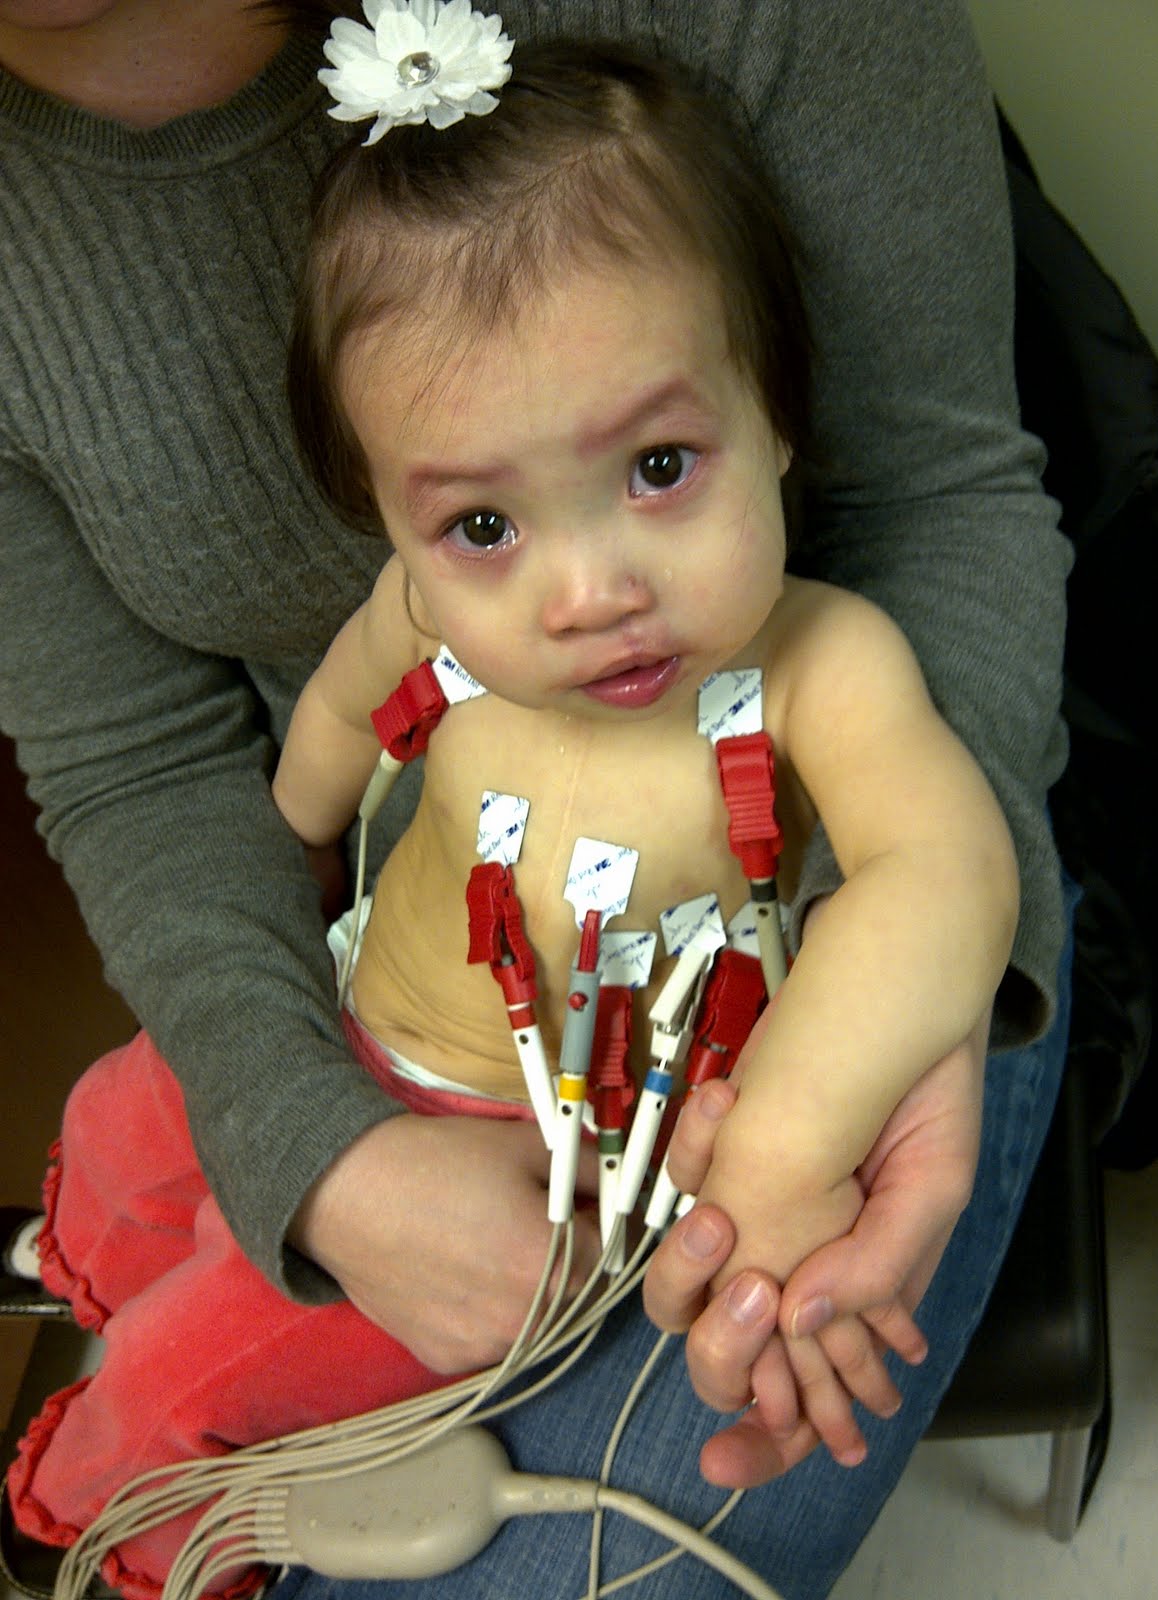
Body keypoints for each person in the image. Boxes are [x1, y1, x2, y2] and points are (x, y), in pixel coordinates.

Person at [0, 2, 1072, 1596]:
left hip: (536, 1152)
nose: (589, 595)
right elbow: (310, 719)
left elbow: (944, 876)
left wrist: (787, 1145)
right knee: (122, 1124)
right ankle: (96, 1252)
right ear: (391, 520)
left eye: (659, 469)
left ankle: (104, 1504)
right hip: (350, 986)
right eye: (485, 528)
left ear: (780, 414)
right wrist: (288, 868)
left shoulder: (824, 666)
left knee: (197, 1370)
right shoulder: (426, 607)